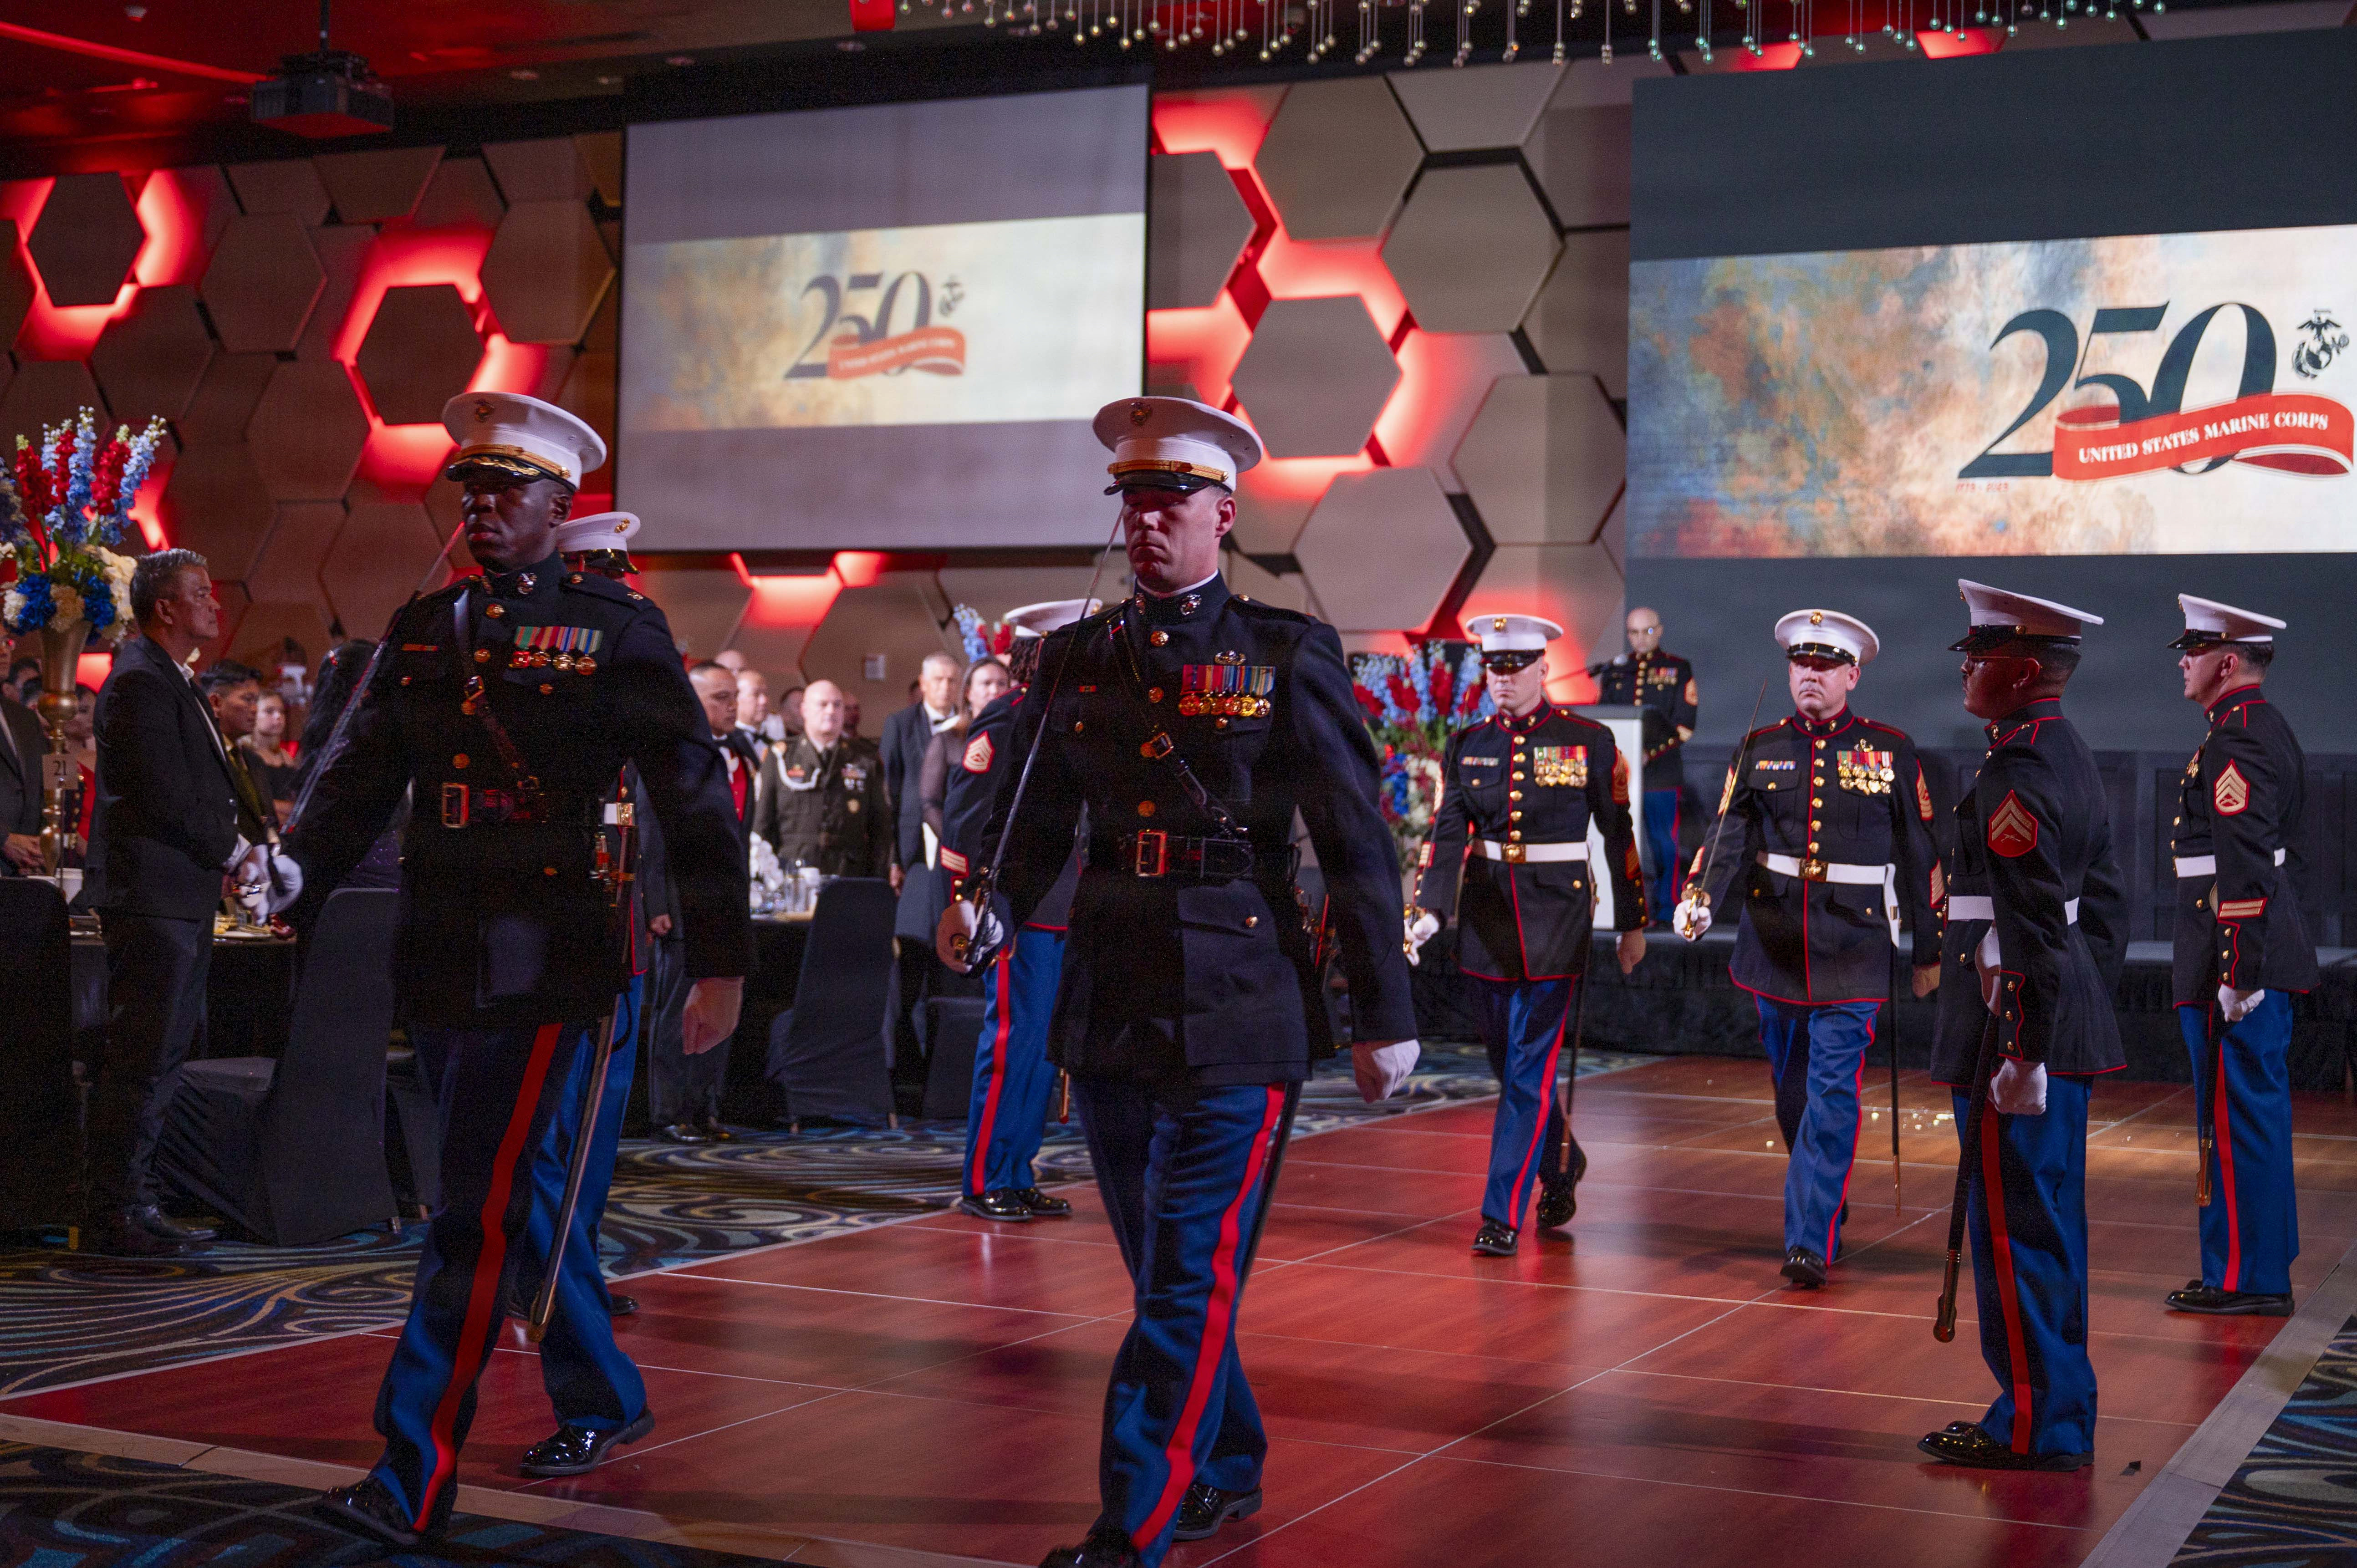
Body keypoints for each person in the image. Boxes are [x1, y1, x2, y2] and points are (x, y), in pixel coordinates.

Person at [265, 391, 750, 1548]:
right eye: (468, 488)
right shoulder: (427, 626)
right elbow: (360, 774)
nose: (480, 506)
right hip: (440, 944)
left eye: (505, 489)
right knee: (488, 1201)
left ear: (556, 505)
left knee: (475, 1215)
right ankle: (597, 1396)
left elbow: (694, 802)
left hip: (556, 955)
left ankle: (413, 1467)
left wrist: (722, 964)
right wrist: (298, 870)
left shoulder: (615, 628)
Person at [941, 396, 1419, 1568]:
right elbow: (1033, 817)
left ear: (1223, 514)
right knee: (1168, 1268)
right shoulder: (1072, 659)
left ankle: (1134, 1527)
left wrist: (1383, 1013)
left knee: (1186, 1268)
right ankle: (1227, 1457)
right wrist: (990, 903)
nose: (1147, 524)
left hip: (1242, 998)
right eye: (1132, 503)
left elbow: (1353, 839)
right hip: (1109, 991)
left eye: (1171, 504)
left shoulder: (1284, 651)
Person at [1918, 580, 2125, 1474]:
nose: (1965, 666)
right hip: (2049, 1011)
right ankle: (2053, 1411)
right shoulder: (2063, 753)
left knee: (2015, 1231)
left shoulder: (2015, 771)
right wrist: (2075, 1005)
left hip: (2013, 1026)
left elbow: (2035, 927)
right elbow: (2099, 911)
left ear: (2026, 671)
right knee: (2046, 1227)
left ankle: (2037, 1424)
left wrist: (2025, 1048)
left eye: (1982, 654)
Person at [1670, 610, 1942, 1286]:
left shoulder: (1891, 750)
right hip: (1774, 944)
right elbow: (1727, 837)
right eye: (1801, 664)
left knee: (1830, 1094)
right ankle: (1824, 1194)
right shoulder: (1759, 746)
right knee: (1792, 1095)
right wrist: (1701, 897)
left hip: (1852, 946)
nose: (1810, 676)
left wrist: (1931, 950)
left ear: (1852, 674)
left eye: (1824, 666)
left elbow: (1920, 856)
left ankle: (1808, 1241)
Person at [1408, 614, 1648, 1257]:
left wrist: (1633, 923)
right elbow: (1446, 835)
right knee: (1506, 1064)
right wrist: (1429, 910)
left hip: (1555, 923)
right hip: (1485, 919)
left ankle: (1501, 1215)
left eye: (1515, 669)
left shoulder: (1589, 741)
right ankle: (1561, 1161)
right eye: (1493, 668)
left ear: (1544, 669)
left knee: (1525, 1073)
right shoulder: (1468, 743)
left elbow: (1618, 836)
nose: (1502, 681)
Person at [82, 549, 248, 1257]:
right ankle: (117, 1212)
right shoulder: (140, 682)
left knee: (164, 1055)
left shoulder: (172, 679)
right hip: (151, 898)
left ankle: (136, 1201)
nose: (215, 604)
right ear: (166, 609)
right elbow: (167, 795)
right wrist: (235, 852)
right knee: (143, 1057)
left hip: (177, 896)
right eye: (200, 594)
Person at [2164, 596, 2312, 1317]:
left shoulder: (2239, 736)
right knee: (2243, 1114)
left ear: (2226, 660)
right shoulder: (2253, 726)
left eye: (2192, 650)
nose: (2182, 663)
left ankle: (2248, 1278)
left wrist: (2237, 972)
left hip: (2232, 950)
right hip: (2236, 943)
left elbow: (2246, 859)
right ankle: (2245, 1269)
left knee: (2238, 1116)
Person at [939, 629, 1070, 1222]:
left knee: (1043, 1051)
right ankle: (985, 1176)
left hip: (1064, 904)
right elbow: (966, 823)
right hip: (1015, 906)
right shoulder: (1010, 716)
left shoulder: (1068, 718)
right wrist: (974, 907)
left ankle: (1018, 1170)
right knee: (1011, 1045)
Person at [648, 660, 757, 1144]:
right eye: (720, 698)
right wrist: (654, 902)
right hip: (678, 898)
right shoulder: (667, 752)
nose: (732, 706)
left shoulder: (743, 752)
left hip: (723, 902)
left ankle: (705, 1108)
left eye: (734, 696)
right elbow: (649, 832)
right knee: (677, 1014)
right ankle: (669, 1112)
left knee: (720, 1008)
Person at [1593, 606, 1697, 923]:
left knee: (1664, 844)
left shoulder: (1677, 669)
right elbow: (1601, 719)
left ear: (1660, 631)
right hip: (1618, 773)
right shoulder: (1614, 671)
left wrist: (1649, 753)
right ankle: (1624, 910)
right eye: (1634, 633)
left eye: (1647, 631)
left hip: (1660, 773)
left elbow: (1685, 726)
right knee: (1618, 842)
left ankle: (1667, 911)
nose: (1640, 639)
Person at [755, 679, 891, 877]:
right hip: (792, 870)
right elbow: (763, 823)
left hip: (849, 872)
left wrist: (877, 877)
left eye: (837, 705)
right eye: (822, 704)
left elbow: (881, 827)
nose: (831, 711)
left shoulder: (864, 758)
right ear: (804, 710)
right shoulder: (781, 756)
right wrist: (763, 875)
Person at [198, 661, 274, 850]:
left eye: (256, 701)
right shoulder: (202, 754)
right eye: (248, 700)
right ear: (216, 703)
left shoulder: (253, 760)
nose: (255, 709)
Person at [0, 682, 45, 873]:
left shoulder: (25, 717)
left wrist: (35, 849)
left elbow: (40, 786)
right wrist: (4, 840)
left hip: (25, 867)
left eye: (9, 648)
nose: (4, 652)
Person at [241, 690, 301, 826]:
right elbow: (253, 803)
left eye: (282, 712)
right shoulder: (245, 754)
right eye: (269, 711)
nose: (278, 717)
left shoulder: (285, 756)